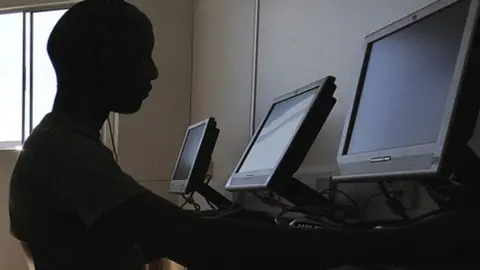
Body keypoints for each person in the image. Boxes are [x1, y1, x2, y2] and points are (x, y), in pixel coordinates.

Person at [8, 0, 473, 269]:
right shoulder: (66, 153)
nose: (152, 72)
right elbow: (195, 245)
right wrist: (405, 244)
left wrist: (217, 226)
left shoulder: (64, 143)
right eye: (141, 55)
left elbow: (153, 233)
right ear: (104, 61)